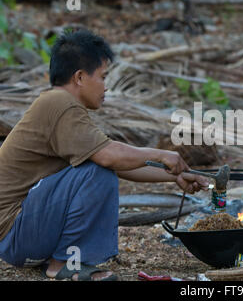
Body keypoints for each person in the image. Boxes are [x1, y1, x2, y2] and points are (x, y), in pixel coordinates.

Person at [0, 30, 209, 281]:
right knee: (98, 172)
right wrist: (162, 154)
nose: (106, 85)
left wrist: (174, 176)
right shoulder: (59, 104)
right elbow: (110, 158)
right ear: (79, 77)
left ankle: (61, 259)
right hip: (16, 233)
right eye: (102, 76)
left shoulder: (60, 106)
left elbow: (118, 164)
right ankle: (65, 263)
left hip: (22, 236)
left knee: (98, 169)